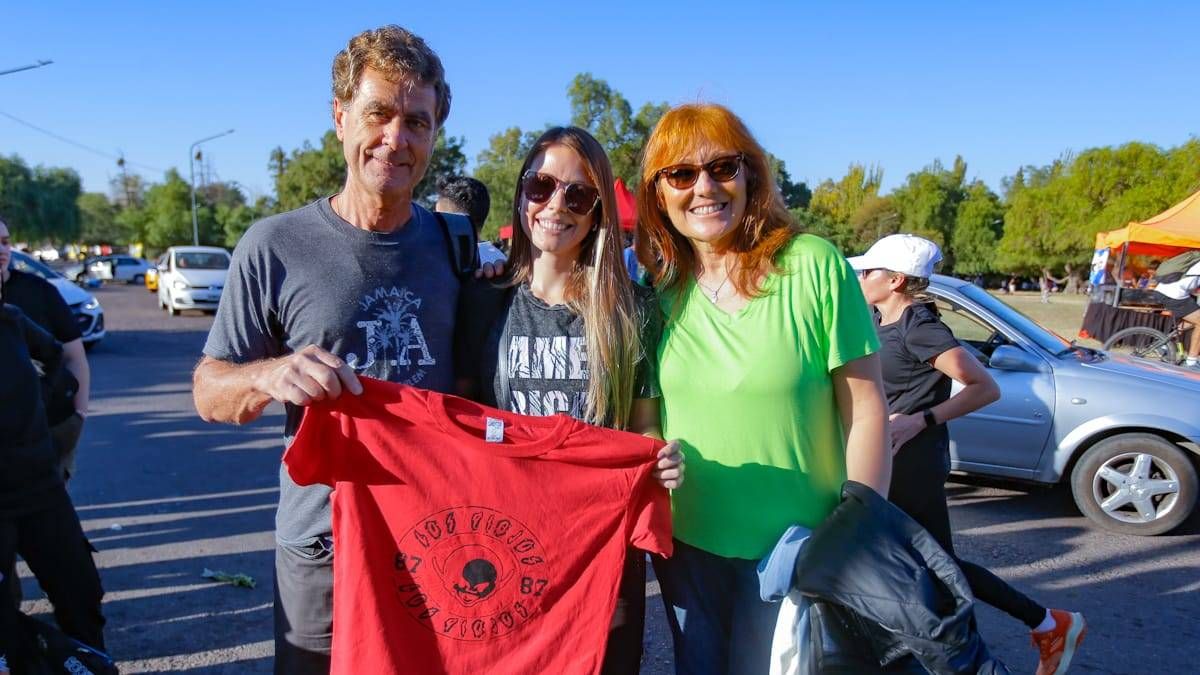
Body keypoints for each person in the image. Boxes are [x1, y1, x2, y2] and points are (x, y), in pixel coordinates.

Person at [192, 25, 477, 673]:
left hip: (433, 538)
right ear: (340, 116)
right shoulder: (274, 245)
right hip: (322, 543)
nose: (396, 139)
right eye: (378, 114)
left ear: (435, 133)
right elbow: (210, 393)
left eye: (417, 121)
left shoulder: (460, 248)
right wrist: (272, 373)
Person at [636, 103, 892, 674]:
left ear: (751, 175)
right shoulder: (659, 293)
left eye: (723, 167)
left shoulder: (814, 266)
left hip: (801, 548)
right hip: (688, 549)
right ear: (658, 194)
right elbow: (648, 415)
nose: (704, 187)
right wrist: (655, 453)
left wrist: (860, 524)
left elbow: (867, 410)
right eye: (681, 174)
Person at [456, 126, 684, 673]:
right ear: (520, 193)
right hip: (505, 543)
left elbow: (642, 425)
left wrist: (662, 457)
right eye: (542, 185)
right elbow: (458, 426)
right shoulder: (481, 299)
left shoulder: (632, 310)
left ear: (598, 210)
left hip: (599, 549)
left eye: (578, 194)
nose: (556, 205)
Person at [849, 233, 1086, 675]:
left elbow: (984, 387)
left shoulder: (920, 328)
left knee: (935, 566)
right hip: (890, 457)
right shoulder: (882, 322)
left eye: (869, 271)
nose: (861, 278)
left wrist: (921, 419)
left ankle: (1043, 625)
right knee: (921, 564)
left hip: (912, 463)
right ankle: (1039, 626)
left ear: (896, 280)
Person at [0, 276, 107, 671]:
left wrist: (46, 411)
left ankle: (91, 662)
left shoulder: (11, 319)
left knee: (81, 593)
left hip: (40, 488)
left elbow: (57, 358)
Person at [0, 216, 90, 480]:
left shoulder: (39, 291)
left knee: (52, 513)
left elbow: (75, 356)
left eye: (5, 242)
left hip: (49, 428)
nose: (2, 250)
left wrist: (79, 416)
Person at [435, 174, 506, 265]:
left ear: (459, 222)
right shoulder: (499, 259)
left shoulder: (453, 264)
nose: (435, 224)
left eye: (439, 218)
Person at [1151, 256, 1200, 369]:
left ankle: (1163, 344)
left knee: (1194, 319)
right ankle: (1191, 362)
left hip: (1167, 291)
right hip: (1173, 294)